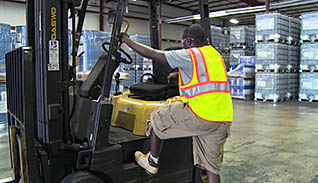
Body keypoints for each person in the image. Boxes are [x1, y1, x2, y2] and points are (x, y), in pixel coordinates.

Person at [120, 24, 233, 183]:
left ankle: (152, 161)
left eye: (183, 43)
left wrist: (126, 40)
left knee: (158, 115)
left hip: (201, 115)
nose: (183, 46)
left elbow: (152, 54)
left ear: (188, 41)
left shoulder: (191, 54)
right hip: (222, 118)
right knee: (212, 168)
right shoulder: (214, 54)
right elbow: (204, 73)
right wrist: (178, 73)